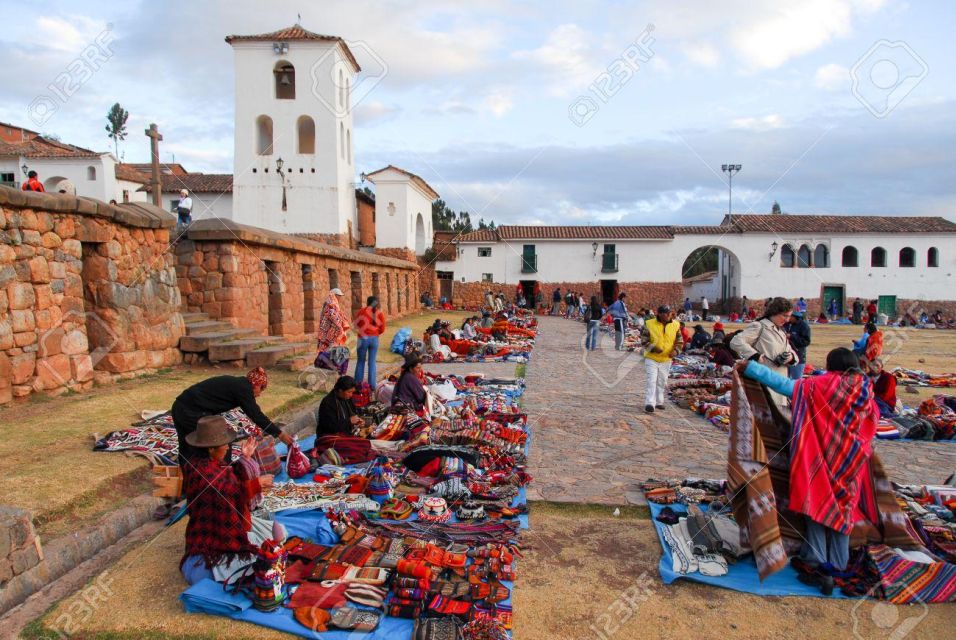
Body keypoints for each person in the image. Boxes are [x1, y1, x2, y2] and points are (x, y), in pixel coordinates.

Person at [741, 347, 877, 594]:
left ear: (831, 363)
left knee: (817, 504)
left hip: (821, 459)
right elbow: (871, 422)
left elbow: (785, 386)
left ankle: (814, 557)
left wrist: (751, 369)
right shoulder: (865, 390)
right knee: (843, 510)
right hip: (851, 461)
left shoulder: (821, 385)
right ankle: (838, 561)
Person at [179, 415, 275, 585]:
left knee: (275, 533)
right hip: (214, 533)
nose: (227, 447)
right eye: (225, 445)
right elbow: (224, 491)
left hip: (234, 523)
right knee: (255, 561)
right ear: (210, 449)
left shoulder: (210, 462)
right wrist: (255, 484)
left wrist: (245, 459)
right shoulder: (200, 470)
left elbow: (228, 477)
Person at [172, 367, 293, 464]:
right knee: (219, 443)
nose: (259, 394)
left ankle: (187, 483)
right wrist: (280, 434)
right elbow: (256, 414)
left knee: (187, 447)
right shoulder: (244, 388)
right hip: (190, 411)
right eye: (261, 389)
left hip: (179, 406)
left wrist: (260, 428)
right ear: (256, 384)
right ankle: (221, 476)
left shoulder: (240, 385)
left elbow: (252, 412)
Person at [730, 296, 797, 405]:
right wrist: (755, 355)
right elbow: (736, 341)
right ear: (775, 312)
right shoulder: (759, 326)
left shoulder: (781, 331)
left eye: (789, 316)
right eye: (785, 315)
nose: (787, 320)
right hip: (763, 384)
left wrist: (790, 357)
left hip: (780, 384)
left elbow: (791, 352)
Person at [643, 305, 682, 413]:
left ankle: (659, 401)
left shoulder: (676, 325)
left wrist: (676, 351)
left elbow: (680, 342)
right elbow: (644, 341)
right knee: (652, 380)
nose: (670, 315)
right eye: (667, 313)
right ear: (660, 314)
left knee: (662, 380)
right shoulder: (649, 324)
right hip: (652, 358)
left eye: (670, 312)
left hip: (666, 359)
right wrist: (654, 348)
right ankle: (650, 403)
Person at [315, 288, 351, 373]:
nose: (340, 298)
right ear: (335, 295)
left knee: (328, 349)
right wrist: (340, 326)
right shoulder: (331, 303)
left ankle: (326, 365)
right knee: (328, 349)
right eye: (339, 296)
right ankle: (325, 365)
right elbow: (332, 315)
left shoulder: (331, 303)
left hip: (329, 330)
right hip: (329, 331)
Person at [353, 296, 385, 387]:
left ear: (367, 302)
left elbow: (356, 324)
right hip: (374, 339)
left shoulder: (362, 311)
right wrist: (375, 333)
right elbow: (382, 328)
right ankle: (372, 385)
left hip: (362, 339)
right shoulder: (379, 313)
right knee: (372, 362)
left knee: (360, 361)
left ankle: (358, 384)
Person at [786, 310, 812, 380]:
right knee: (785, 379)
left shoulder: (804, 326)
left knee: (796, 379)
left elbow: (806, 342)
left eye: (789, 316)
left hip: (798, 355)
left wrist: (792, 336)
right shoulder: (786, 324)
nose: (787, 318)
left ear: (795, 317)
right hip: (785, 355)